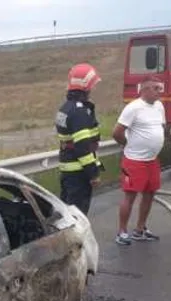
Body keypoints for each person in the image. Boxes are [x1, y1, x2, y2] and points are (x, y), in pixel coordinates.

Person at [112, 75, 166, 245]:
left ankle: (140, 229)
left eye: (160, 88)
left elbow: (161, 126)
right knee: (130, 195)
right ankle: (122, 232)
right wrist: (128, 145)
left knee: (150, 194)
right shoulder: (133, 108)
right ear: (144, 89)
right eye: (156, 88)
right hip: (134, 161)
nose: (159, 92)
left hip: (152, 160)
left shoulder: (159, 106)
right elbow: (117, 132)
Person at [55, 63, 103, 216]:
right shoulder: (80, 112)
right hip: (78, 173)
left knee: (66, 215)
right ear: (86, 86)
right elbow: (82, 147)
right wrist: (93, 173)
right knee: (77, 218)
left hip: (67, 170)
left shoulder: (66, 107)